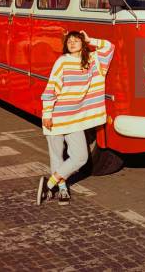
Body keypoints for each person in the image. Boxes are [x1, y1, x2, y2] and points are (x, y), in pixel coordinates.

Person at [37, 30, 115, 205]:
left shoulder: (93, 61)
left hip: (75, 119)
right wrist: (47, 113)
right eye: (69, 41)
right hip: (56, 117)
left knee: (81, 156)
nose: (72, 43)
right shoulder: (62, 62)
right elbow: (51, 88)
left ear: (83, 44)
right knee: (56, 156)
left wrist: (90, 39)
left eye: (76, 40)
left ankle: (49, 184)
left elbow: (110, 47)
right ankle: (63, 190)